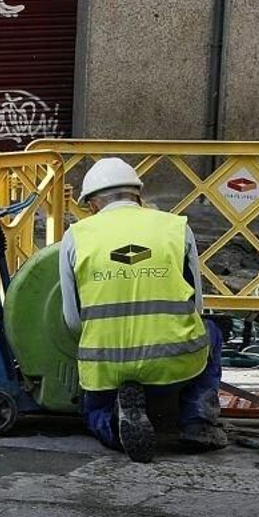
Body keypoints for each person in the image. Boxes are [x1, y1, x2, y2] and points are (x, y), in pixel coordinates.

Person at [59, 157, 227, 462]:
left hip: (106, 365)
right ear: (138, 195)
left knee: (92, 410)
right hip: (174, 360)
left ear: (93, 204)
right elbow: (196, 307)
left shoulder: (75, 237)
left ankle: (113, 422)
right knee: (212, 331)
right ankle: (198, 421)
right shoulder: (176, 228)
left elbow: (72, 320)